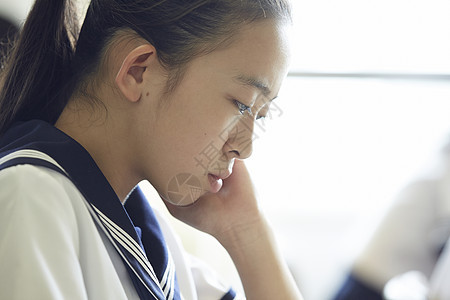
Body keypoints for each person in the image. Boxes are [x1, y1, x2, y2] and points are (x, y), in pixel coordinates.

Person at [0, 0, 302, 299]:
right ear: (137, 70)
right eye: (243, 105)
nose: (245, 149)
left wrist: (246, 231)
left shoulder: (155, 247)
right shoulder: (29, 197)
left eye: (259, 116)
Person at [332, 140, 450, 300]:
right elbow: (443, 228)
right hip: (379, 275)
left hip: (372, 266)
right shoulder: (443, 169)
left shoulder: (436, 166)